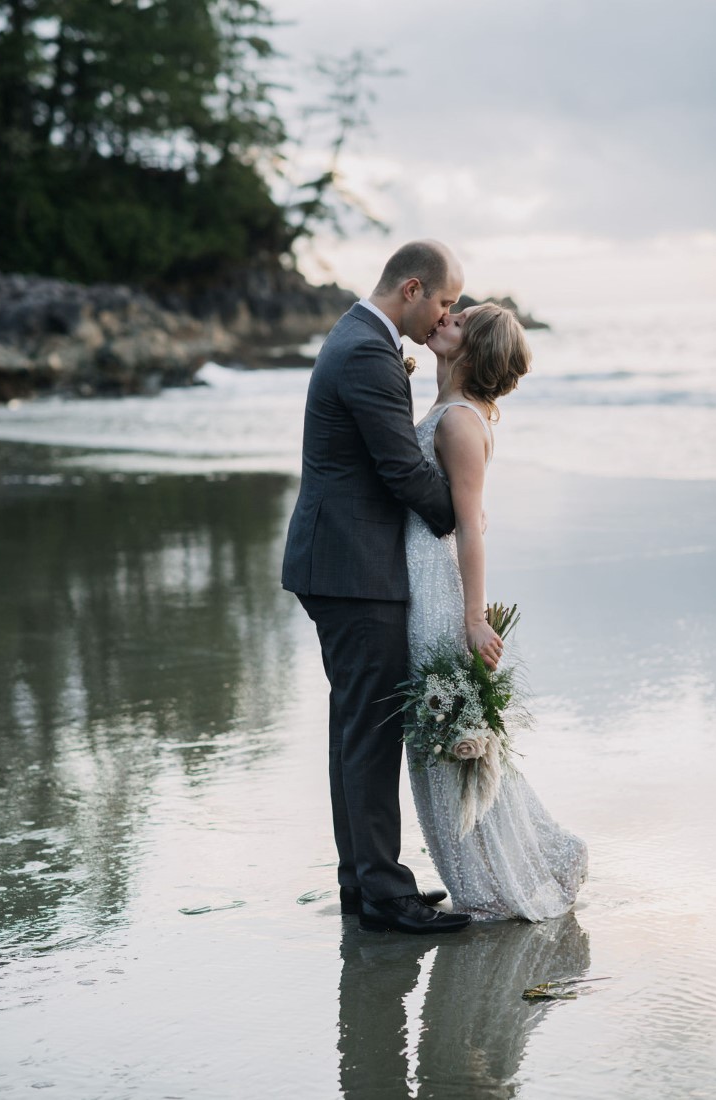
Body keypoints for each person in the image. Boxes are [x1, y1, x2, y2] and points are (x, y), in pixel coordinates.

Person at [282, 240, 472, 934]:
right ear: (413, 288)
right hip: (352, 567)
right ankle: (385, 894)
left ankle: (364, 885)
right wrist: (463, 512)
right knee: (370, 730)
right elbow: (400, 469)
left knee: (355, 728)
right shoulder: (366, 350)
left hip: (342, 561)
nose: (446, 316)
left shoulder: (362, 337)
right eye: (445, 302)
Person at [406, 302, 588, 919]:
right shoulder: (454, 408)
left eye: (458, 322)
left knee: (445, 736)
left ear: (474, 350)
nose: (444, 318)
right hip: (421, 573)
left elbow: (469, 528)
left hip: (437, 587)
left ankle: (494, 881)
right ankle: (487, 873)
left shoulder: (460, 422)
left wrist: (474, 617)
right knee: (441, 736)